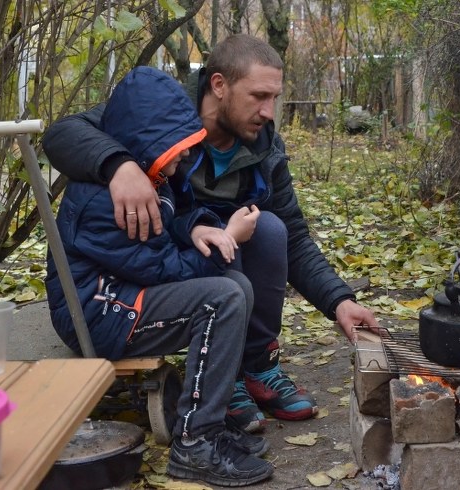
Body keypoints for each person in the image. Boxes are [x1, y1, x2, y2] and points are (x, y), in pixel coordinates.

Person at [42, 34, 381, 433]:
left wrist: (339, 301)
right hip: (162, 261)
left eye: (274, 97)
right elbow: (61, 133)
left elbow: (295, 236)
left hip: (196, 247)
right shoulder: (160, 115)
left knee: (270, 229)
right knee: (225, 262)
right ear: (219, 85)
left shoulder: (266, 150)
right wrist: (119, 165)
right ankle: (225, 382)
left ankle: (257, 367)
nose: (269, 111)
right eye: (258, 96)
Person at [45, 66, 273, 487]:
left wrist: (198, 227)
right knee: (221, 298)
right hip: (100, 311)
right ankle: (194, 443)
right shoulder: (107, 202)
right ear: (148, 142)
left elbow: (172, 222)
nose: (185, 156)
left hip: (127, 295)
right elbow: (160, 267)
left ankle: (211, 421)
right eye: (179, 147)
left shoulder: (152, 176)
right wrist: (227, 237)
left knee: (236, 288)